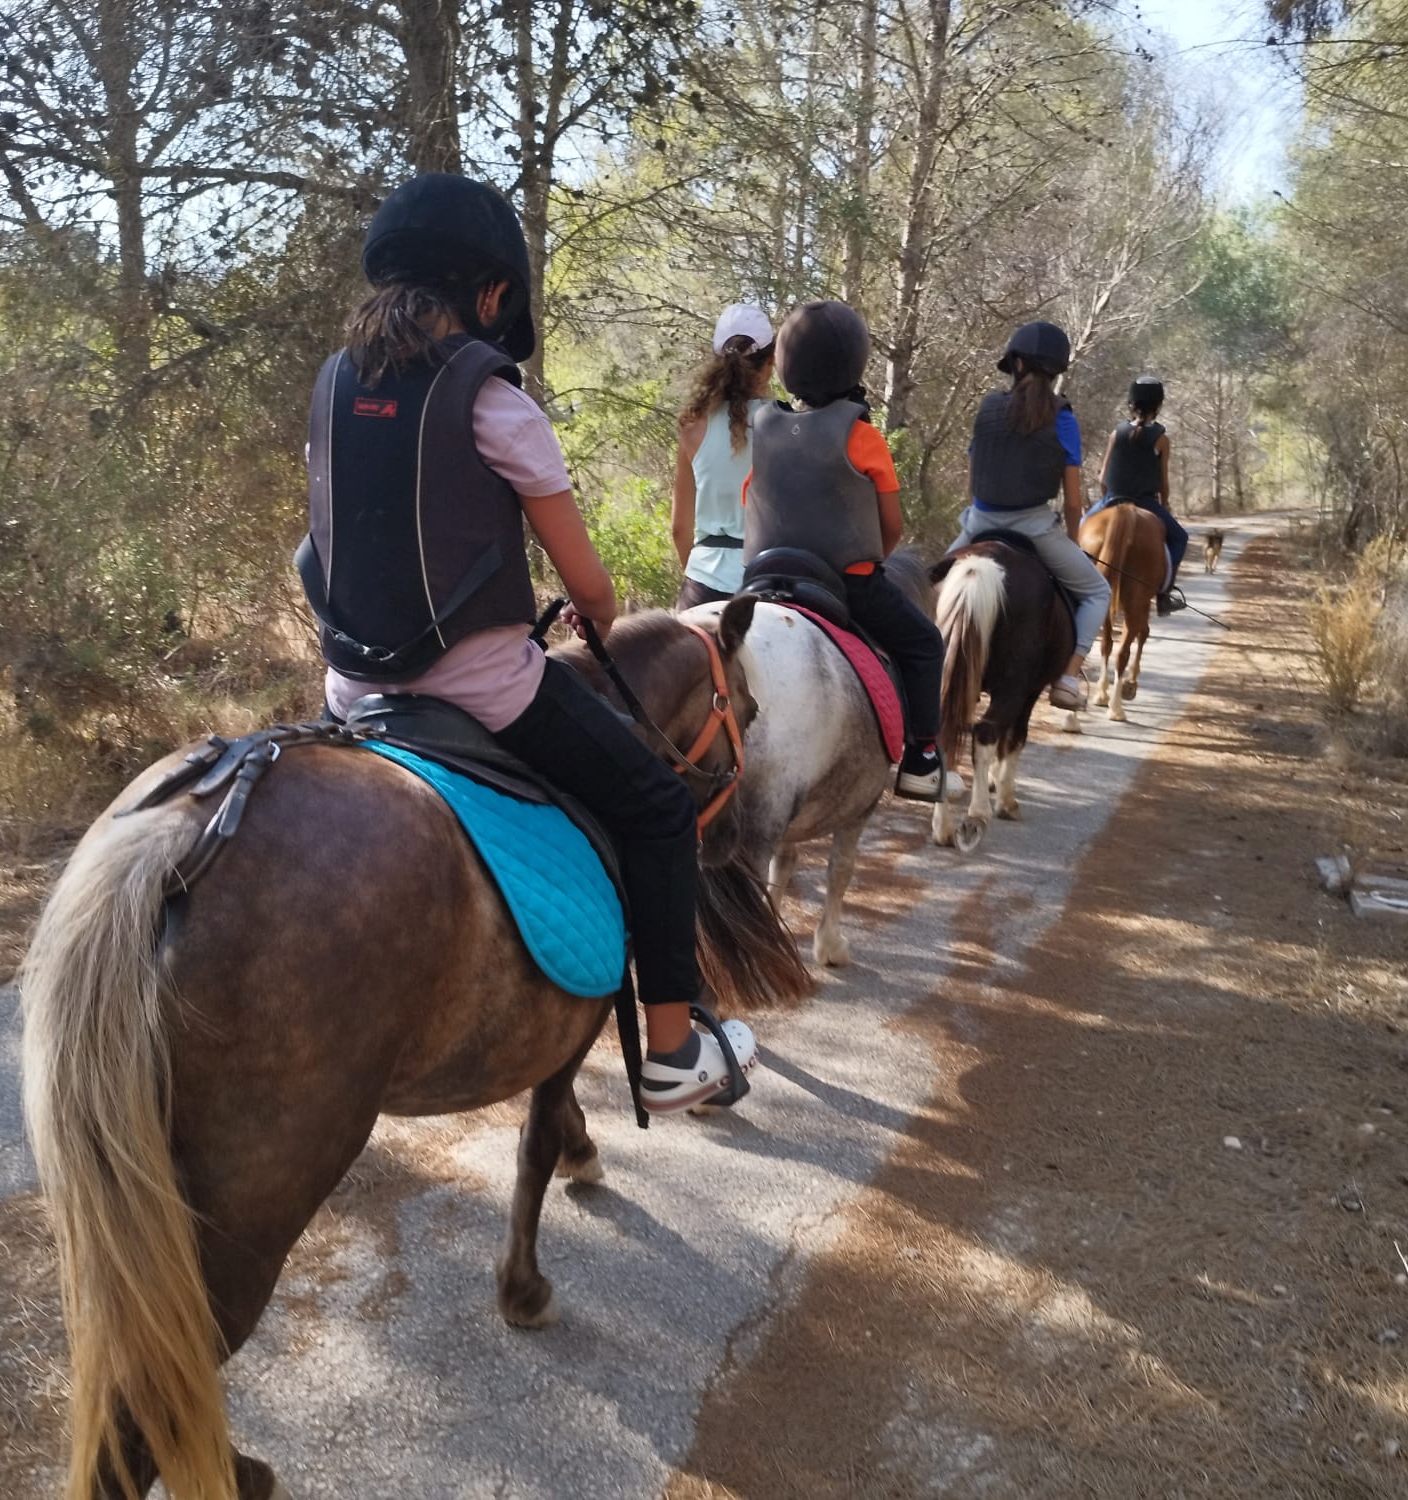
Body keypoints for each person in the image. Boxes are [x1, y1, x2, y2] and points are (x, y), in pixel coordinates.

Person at [295, 173, 754, 1115]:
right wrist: (595, 613)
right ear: (493, 293)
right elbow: (589, 588)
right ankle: (672, 1051)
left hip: (350, 691)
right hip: (484, 689)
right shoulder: (495, 402)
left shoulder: (334, 385)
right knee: (658, 811)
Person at [742, 300, 953, 801]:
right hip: (848, 585)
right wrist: (868, 558)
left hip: (761, 581)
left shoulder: (764, 430)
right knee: (925, 643)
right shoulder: (861, 435)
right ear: (853, 364)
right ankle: (922, 759)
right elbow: (890, 526)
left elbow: (750, 500)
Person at [947, 321, 1112, 712]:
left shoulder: (988, 409)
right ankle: (1068, 679)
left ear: (1017, 364)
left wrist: (979, 517)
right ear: (1056, 371)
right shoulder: (1063, 418)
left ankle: (925, 671)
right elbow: (1073, 501)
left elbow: (972, 481)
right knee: (1097, 592)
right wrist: (1073, 541)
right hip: (1035, 527)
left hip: (979, 522)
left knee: (927, 586)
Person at [671, 304, 775, 610]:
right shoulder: (784, 424)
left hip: (703, 582)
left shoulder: (692, 428)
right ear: (771, 362)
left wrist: (696, 576)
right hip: (766, 578)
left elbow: (679, 529)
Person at [1089, 376, 1188, 615]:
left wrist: (1106, 500)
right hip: (1145, 502)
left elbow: (1103, 477)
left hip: (1111, 498)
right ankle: (1164, 595)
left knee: (1081, 528)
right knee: (1180, 538)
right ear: (1158, 405)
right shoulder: (1161, 440)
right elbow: (1163, 483)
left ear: (1131, 404)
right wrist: (1165, 504)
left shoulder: (1116, 433)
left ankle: (1073, 590)